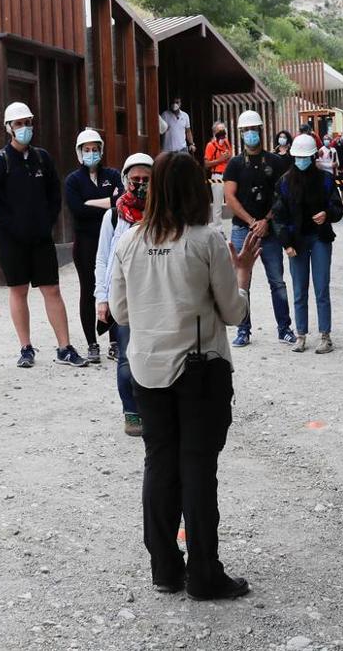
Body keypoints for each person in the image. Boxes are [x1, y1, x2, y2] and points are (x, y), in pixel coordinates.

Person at [108, 150, 259, 601]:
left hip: (147, 368)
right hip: (198, 370)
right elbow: (233, 312)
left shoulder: (130, 241)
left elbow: (119, 310)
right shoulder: (206, 240)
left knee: (159, 464)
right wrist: (243, 273)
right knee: (197, 469)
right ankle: (204, 572)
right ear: (197, 190)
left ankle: (165, 568)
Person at [0, 101, 88, 369]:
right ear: (8, 128)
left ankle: (65, 347)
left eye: (28, 122)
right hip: (11, 240)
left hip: (41, 238)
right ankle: (25, 347)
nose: (25, 128)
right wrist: (13, 226)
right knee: (18, 291)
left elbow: (54, 193)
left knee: (52, 289)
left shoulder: (42, 158)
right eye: (19, 124)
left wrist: (47, 222)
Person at [223, 110, 296, 349]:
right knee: (242, 282)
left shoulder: (276, 162)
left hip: (271, 231)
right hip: (242, 229)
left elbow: (282, 195)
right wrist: (252, 221)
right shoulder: (234, 164)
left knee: (277, 280)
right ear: (241, 133)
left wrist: (266, 220)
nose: (250, 134)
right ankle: (243, 330)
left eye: (254, 129)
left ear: (261, 131)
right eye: (246, 130)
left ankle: (284, 329)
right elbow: (230, 197)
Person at [95, 152, 153, 436]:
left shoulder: (164, 215)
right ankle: (131, 412)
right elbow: (103, 259)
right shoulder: (114, 216)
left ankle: (155, 408)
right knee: (127, 357)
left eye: (146, 180)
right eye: (135, 180)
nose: (140, 185)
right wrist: (101, 297)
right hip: (124, 297)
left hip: (156, 296)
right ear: (125, 181)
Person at [272, 134, 343, 354]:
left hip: (320, 237)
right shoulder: (284, 182)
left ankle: (325, 336)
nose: (301, 161)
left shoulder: (325, 180)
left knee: (321, 288)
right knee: (299, 289)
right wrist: (286, 244)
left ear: (313, 156)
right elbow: (278, 215)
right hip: (296, 241)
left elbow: (338, 208)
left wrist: (327, 214)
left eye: (305, 157)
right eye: (298, 157)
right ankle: (300, 335)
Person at [64, 128, 119, 364]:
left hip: (111, 240)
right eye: (86, 150)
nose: (91, 153)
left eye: (95, 149)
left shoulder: (114, 175)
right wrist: (106, 203)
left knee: (115, 288)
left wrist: (92, 202)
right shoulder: (73, 180)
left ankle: (115, 341)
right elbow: (77, 209)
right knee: (88, 291)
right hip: (85, 242)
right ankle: (91, 343)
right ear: (79, 153)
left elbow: (120, 202)